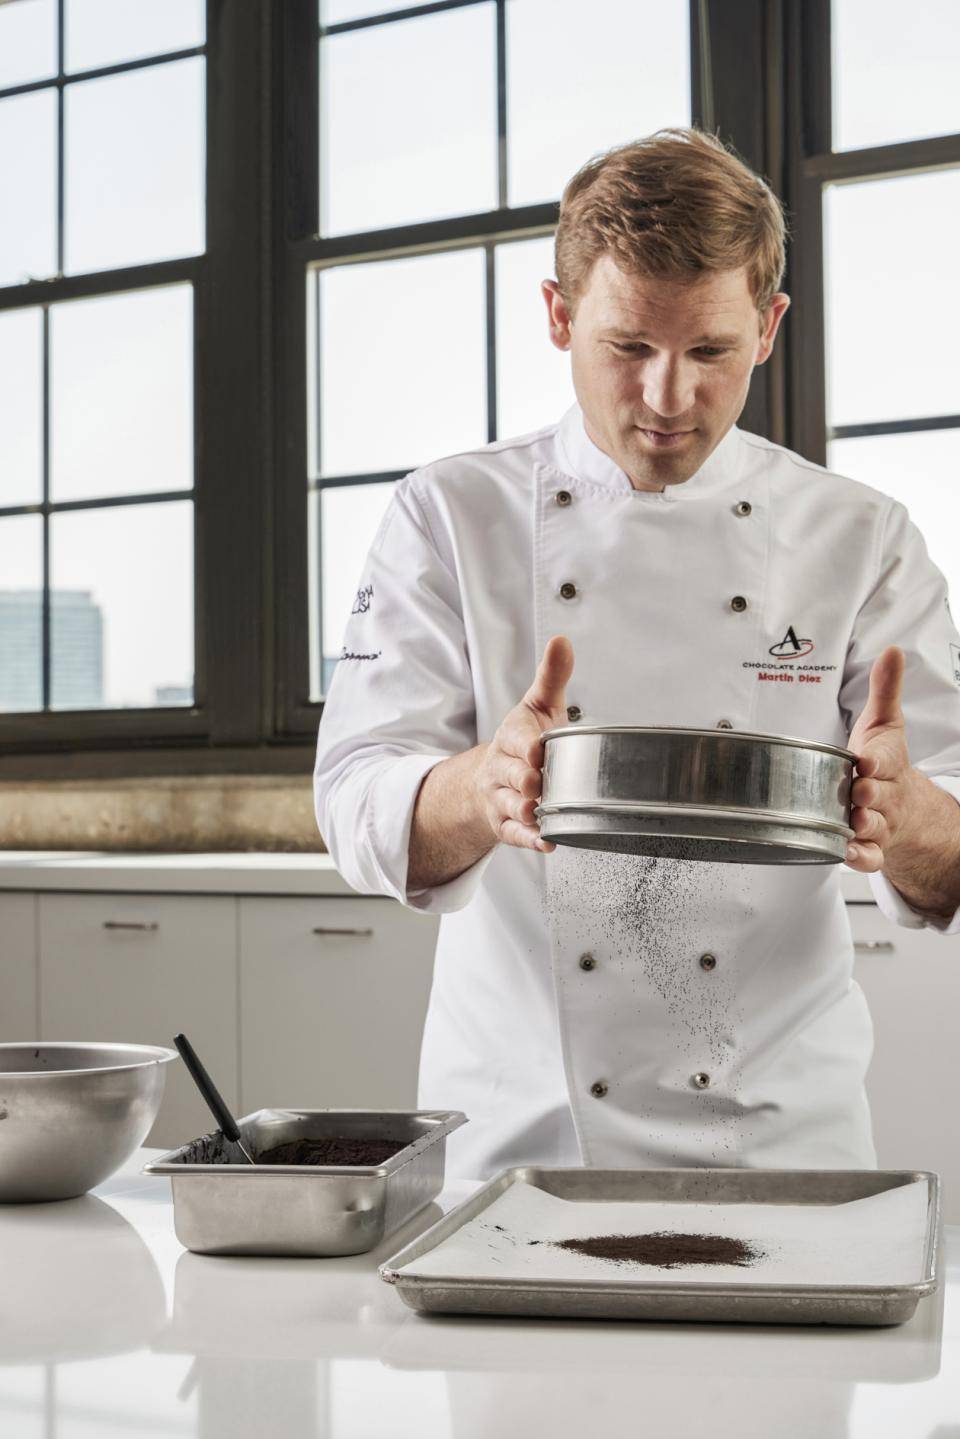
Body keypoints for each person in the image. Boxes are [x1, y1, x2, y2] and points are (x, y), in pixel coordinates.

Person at [314, 128, 960, 1181]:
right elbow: (353, 798)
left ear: (768, 329)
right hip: (520, 1136)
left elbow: (952, 832)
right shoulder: (449, 514)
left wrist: (910, 815)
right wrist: (489, 784)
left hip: (782, 1141)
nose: (669, 398)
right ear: (559, 315)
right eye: (628, 347)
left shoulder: (862, 536)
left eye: (709, 351)